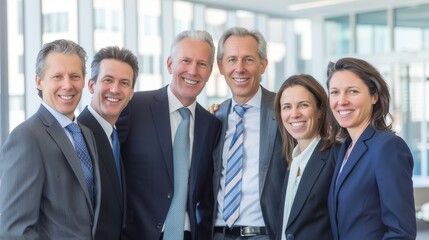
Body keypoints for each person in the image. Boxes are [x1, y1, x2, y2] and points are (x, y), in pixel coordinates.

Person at [116, 30, 221, 240]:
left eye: (202, 64)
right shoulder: (134, 107)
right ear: (170, 64)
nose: (193, 70)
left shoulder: (212, 125)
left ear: (210, 72)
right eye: (186, 60)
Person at [0, 39, 101, 239]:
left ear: (83, 80)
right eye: (57, 76)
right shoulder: (26, 137)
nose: (68, 85)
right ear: (39, 81)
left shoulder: (86, 134)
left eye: (74, 76)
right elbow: (14, 231)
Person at [326, 57, 416, 239]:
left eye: (352, 91)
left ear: (374, 96)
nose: (341, 101)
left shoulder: (388, 147)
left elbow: (401, 233)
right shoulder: (345, 148)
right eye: (334, 92)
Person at [212, 26, 286, 239]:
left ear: (263, 65)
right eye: (232, 60)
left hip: (264, 234)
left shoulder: (283, 111)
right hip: (217, 234)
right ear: (221, 66)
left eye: (249, 60)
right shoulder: (213, 118)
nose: (240, 68)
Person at [77, 46, 138, 240]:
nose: (115, 89)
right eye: (108, 80)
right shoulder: (77, 136)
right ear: (91, 85)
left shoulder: (115, 135)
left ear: (131, 93)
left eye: (124, 83)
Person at [273, 74, 340, 240]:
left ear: (319, 110)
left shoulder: (336, 155)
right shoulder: (292, 161)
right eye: (287, 107)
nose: (294, 114)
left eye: (303, 105)